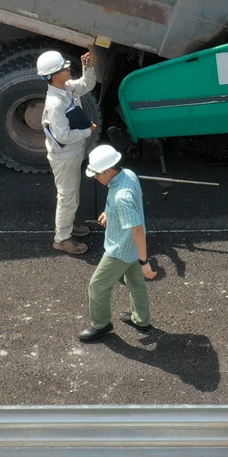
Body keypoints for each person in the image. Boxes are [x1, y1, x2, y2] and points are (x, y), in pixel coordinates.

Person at [78, 144, 159, 342]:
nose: (95, 178)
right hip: (132, 247)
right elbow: (136, 200)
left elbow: (137, 228)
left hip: (120, 249)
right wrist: (110, 213)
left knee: (97, 286)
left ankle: (101, 324)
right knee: (135, 283)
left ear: (109, 170)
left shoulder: (121, 196)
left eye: (97, 174)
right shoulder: (128, 175)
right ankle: (141, 320)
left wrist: (144, 262)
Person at [41, 47, 101, 256]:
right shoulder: (55, 104)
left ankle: (67, 226)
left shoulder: (66, 88)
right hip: (65, 156)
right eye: (65, 68)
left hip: (72, 154)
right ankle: (62, 239)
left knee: (71, 194)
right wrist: (88, 131)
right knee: (67, 196)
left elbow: (87, 84)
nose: (69, 69)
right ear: (55, 76)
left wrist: (88, 67)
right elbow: (63, 136)